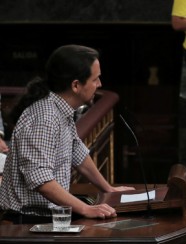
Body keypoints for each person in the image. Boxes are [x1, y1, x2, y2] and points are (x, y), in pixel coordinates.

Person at [0, 45, 134, 224]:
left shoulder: (61, 109)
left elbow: (78, 153)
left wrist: (108, 189)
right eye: (96, 79)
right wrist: (86, 209)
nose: (100, 84)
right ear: (76, 85)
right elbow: (41, 181)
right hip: (28, 221)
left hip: (48, 214)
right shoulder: (44, 118)